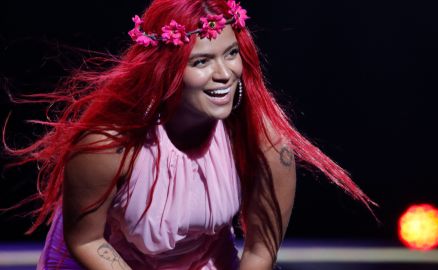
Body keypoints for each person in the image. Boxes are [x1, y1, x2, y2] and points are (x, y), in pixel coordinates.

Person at [4, 0, 375, 269]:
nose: (225, 73)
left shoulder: (267, 143)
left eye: (231, 54)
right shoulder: (108, 145)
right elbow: (86, 240)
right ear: (165, 71)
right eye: (201, 61)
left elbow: (260, 252)